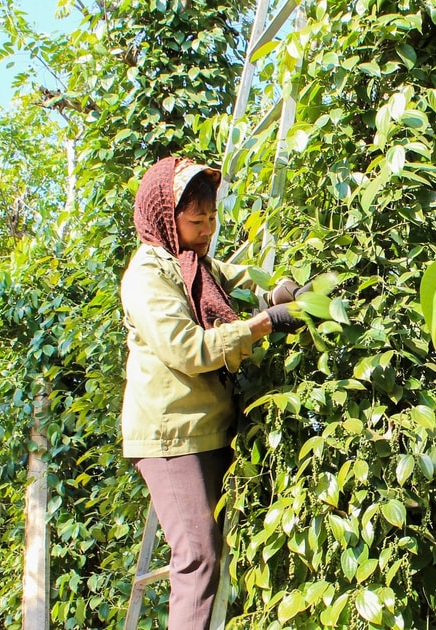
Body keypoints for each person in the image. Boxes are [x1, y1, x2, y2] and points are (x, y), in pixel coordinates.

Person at [120, 156, 303, 628]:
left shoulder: (195, 266)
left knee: (222, 554)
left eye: (212, 219)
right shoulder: (147, 276)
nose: (207, 230)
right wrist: (263, 324)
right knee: (198, 556)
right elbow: (186, 349)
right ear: (165, 217)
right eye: (196, 221)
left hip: (210, 428)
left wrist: (278, 289)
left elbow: (241, 284)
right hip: (171, 438)